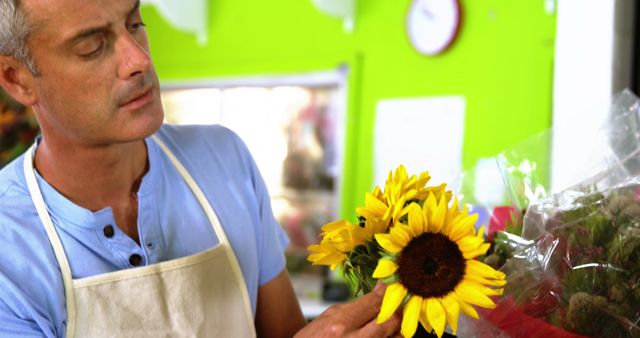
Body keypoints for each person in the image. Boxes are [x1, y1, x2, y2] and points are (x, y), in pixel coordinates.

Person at [0, 0, 402, 337]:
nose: (139, 59)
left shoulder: (224, 160)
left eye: (135, 23)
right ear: (17, 79)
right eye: (92, 46)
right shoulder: (9, 249)